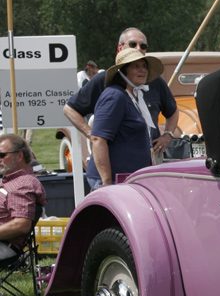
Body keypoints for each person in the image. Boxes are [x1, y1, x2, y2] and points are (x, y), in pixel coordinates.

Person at [63, 27, 180, 166]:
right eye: (132, 44)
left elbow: (172, 111)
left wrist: (167, 135)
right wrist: (93, 136)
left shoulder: (155, 81)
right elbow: (69, 109)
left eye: (143, 46)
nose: (138, 48)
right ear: (120, 47)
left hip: (152, 157)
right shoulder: (103, 80)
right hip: (115, 161)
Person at [88, 49, 165, 188]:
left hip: (129, 180)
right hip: (115, 182)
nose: (142, 70)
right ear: (123, 71)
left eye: (144, 66)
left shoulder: (133, 96)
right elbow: (98, 139)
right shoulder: (114, 96)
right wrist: (106, 183)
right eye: (136, 66)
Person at [0, 133, 46, 261]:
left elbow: (21, 224)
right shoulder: (12, 181)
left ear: (19, 155)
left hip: (5, 246)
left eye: (2, 155)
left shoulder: (21, 185)